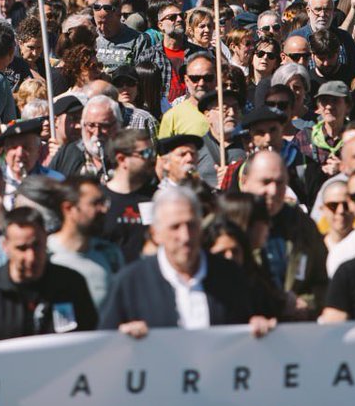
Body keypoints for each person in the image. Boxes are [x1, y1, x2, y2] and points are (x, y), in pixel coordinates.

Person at [100, 185, 276, 337]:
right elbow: (103, 347)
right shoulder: (132, 283)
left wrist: (258, 325)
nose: (185, 237)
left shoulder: (231, 277)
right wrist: (122, 338)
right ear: (156, 234)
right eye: (175, 227)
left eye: (191, 225)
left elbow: (257, 324)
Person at [0, 206, 98, 341]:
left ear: (46, 239)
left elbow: (90, 338)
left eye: (36, 245)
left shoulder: (71, 284)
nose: (31, 257)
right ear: (5, 246)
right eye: (22, 248)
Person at [239, 149, 329, 318]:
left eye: (280, 182)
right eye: (265, 182)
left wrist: (307, 303)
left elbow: (322, 280)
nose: (273, 191)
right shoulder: (228, 223)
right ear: (245, 183)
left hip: (295, 331)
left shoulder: (303, 225)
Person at [47, 176, 123, 307]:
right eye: (95, 203)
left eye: (103, 202)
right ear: (69, 208)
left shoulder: (110, 255)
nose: (104, 210)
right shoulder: (45, 254)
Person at [101, 129, 158, 263]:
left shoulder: (156, 197)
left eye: (153, 153)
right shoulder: (99, 200)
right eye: (146, 153)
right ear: (122, 159)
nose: (152, 159)